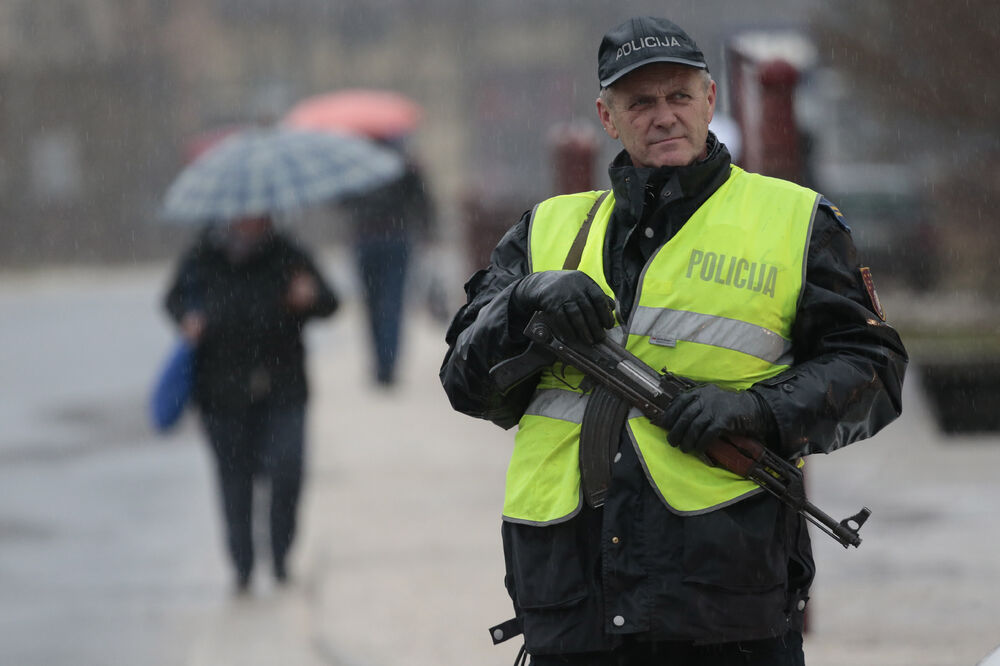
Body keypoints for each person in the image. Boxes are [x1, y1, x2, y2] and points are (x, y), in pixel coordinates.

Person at [439, 16, 907, 665]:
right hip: (574, 604)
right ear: (608, 116)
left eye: (679, 96)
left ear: (709, 100)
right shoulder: (546, 230)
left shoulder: (797, 223)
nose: (663, 116)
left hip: (724, 601)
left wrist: (758, 410)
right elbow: (464, 382)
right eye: (641, 102)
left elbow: (874, 373)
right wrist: (522, 303)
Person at [164, 215, 339, 592]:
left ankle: (280, 556)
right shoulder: (202, 254)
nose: (251, 219)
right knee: (234, 481)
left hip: (284, 386)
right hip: (221, 391)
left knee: (287, 470)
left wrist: (310, 298)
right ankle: (242, 566)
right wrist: (188, 319)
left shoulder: (289, 252)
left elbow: (330, 302)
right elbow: (172, 299)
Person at [340, 139, 435, 387]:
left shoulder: (358, 164)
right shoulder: (403, 164)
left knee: (374, 304)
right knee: (391, 303)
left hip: (368, 237)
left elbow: (343, 202)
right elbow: (421, 201)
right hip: (394, 237)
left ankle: (382, 365)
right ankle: (387, 364)